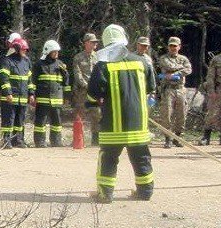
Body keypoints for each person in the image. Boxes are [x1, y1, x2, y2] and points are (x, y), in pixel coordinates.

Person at [86, 24, 155, 203]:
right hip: (138, 125)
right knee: (141, 157)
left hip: (113, 126)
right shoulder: (141, 62)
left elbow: (93, 93)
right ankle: (145, 192)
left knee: (108, 158)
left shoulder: (103, 65)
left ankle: (105, 194)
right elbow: (151, 87)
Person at [32, 40, 71, 147]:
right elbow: (33, 81)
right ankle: (40, 142)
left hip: (57, 99)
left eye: (57, 52)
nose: (56, 54)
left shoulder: (61, 65)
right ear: (48, 51)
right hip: (43, 99)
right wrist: (32, 95)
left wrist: (67, 96)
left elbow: (66, 83)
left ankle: (56, 141)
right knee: (41, 122)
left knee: (57, 123)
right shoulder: (39, 65)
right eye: (54, 52)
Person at [156, 37, 192, 148]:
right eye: (171, 46)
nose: (173, 48)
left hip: (180, 89)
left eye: (175, 46)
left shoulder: (183, 58)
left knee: (182, 113)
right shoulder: (164, 58)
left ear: (179, 47)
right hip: (168, 89)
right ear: (168, 47)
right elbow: (169, 66)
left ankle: (178, 137)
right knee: (167, 114)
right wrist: (180, 69)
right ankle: (168, 138)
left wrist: (174, 74)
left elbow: (189, 70)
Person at [0, 38, 33, 148]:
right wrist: (8, 93)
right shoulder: (7, 61)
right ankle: (6, 141)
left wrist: (31, 93)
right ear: (17, 49)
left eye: (26, 50)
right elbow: (4, 78)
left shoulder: (26, 62)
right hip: (10, 98)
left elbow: (29, 79)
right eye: (23, 49)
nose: (25, 51)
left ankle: (18, 140)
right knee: (8, 121)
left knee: (20, 121)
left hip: (22, 98)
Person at [72, 33, 101, 146]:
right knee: (80, 114)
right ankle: (78, 139)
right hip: (82, 92)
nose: (95, 44)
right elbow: (77, 74)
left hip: (95, 91)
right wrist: (85, 85)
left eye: (95, 42)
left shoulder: (98, 57)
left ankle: (96, 140)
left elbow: (100, 73)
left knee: (97, 114)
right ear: (86, 43)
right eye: (92, 42)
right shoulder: (78, 57)